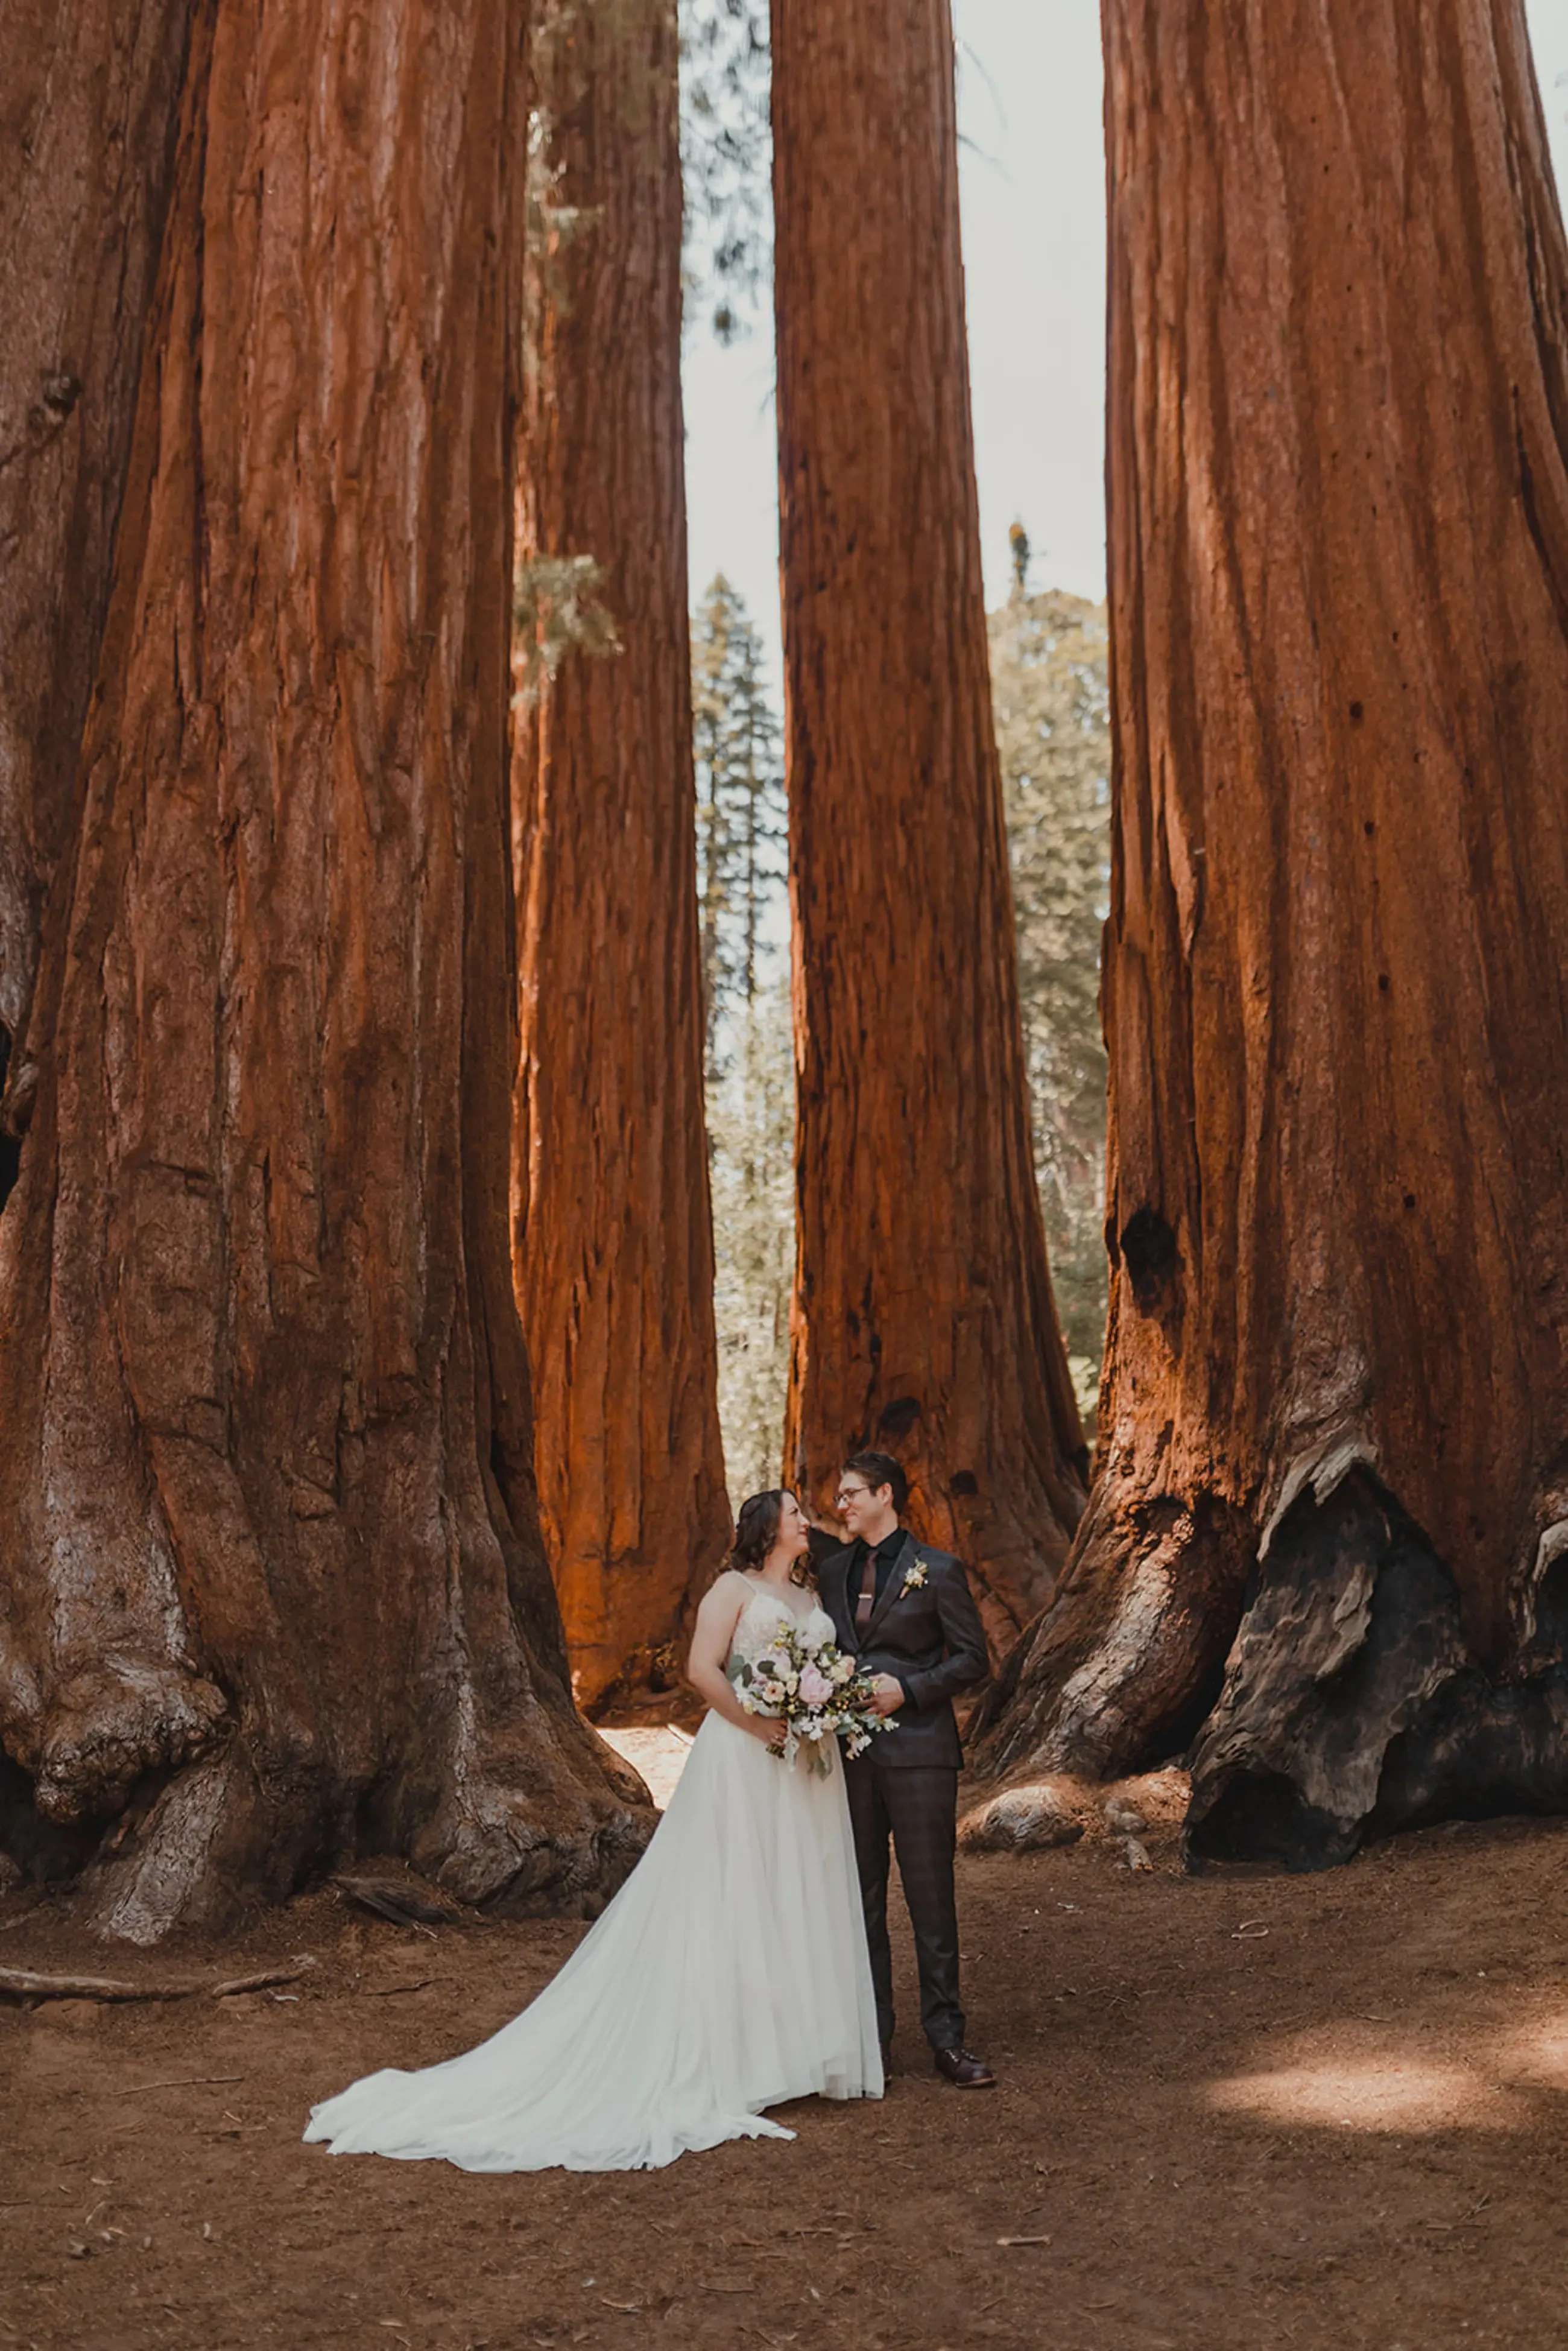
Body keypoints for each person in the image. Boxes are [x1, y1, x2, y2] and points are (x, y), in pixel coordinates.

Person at [303, 1491, 881, 2171]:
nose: (804, 1520)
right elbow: (700, 1669)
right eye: (791, 1512)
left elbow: (823, 1671)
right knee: (734, 1895)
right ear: (764, 1528)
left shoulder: (813, 1599)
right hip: (744, 1757)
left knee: (795, 1894)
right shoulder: (733, 1588)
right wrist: (757, 1721)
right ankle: (735, 2054)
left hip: (803, 1769)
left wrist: (820, 1710)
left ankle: (796, 2049)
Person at [817, 1450, 994, 2089]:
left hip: (921, 1753)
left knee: (929, 1900)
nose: (841, 1505)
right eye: (838, 1496)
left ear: (885, 1494)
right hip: (849, 1761)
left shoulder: (937, 1570)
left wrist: (909, 1689)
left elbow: (973, 1659)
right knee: (859, 1901)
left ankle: (947, 2041)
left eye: (851, 1493)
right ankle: (875, 2041)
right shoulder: (830, 1572)